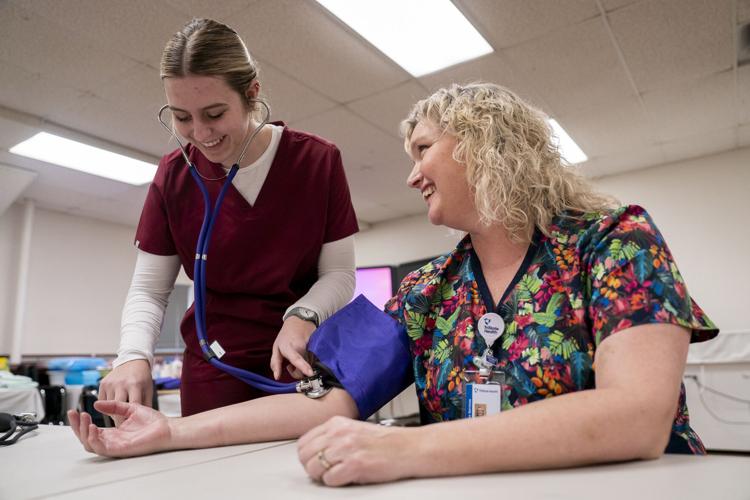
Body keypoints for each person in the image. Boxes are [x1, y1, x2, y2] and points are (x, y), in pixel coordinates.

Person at [70, 82, 717, 488]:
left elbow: (637, 416)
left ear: (486, 146)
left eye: (423, 150)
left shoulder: (615, 241)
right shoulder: (427, 291)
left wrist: (407, 449)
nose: (411, 177)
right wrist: (172, 430)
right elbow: (325, 400)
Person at [98, 18, 359, 418]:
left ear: (252, 93)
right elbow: (150, 290)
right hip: (213, 368)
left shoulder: (317, 161)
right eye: (182, 117)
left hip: (299, 358)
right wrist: (133, 356)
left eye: (214, 113)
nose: (200, 133)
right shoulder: (174, 176)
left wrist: (302, 315)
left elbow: (340, 274)